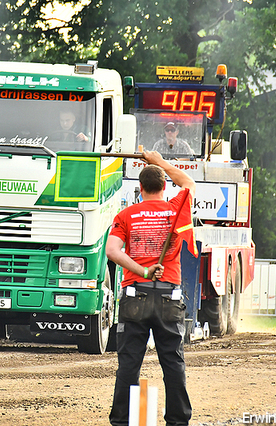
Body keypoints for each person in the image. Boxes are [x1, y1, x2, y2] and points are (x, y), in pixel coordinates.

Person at [105, 150, 195, 426]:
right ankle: (178, 421)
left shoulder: (126, 215)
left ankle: (122, 421)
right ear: (165, 186)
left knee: (129, 365)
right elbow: (188, 182)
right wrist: (159, 161)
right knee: (173, 363)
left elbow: (112, 251)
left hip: (135, 295)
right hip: (169, 296)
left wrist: (142, 270)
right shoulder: (176, 210)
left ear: (140, 188)